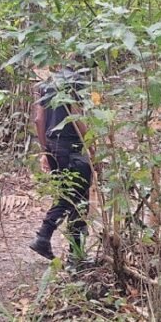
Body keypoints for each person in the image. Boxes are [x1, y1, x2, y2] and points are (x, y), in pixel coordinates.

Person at [29, 66, 93, 263]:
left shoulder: (43, 85)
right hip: (74, 147)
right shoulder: (76, 81)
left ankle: (71, 250)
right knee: (76, 199)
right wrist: (91, 144)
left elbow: (39, 119)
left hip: (54, 146)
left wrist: (45, 150)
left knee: (67, 194)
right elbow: (76, 115)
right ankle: (47, 238)